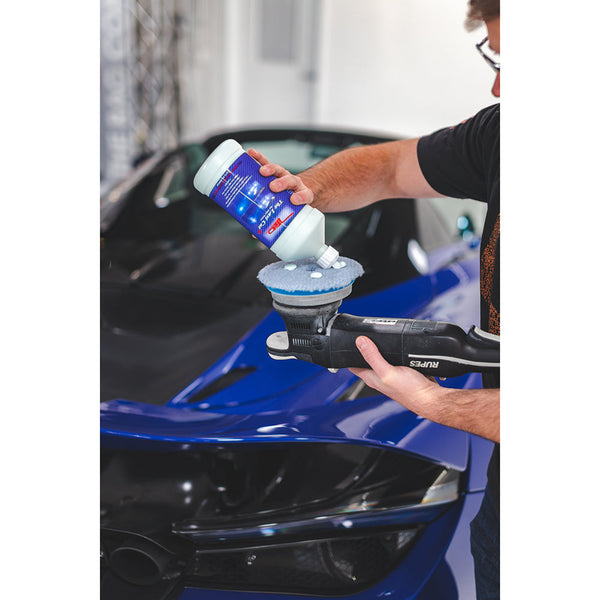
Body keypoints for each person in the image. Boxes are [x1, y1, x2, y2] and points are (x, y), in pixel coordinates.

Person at [249, 1, 501, 597]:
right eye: (496, 57)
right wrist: (308, 190)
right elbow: (389, 168)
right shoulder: (505, 135)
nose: (499, 84)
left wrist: (438, 404)